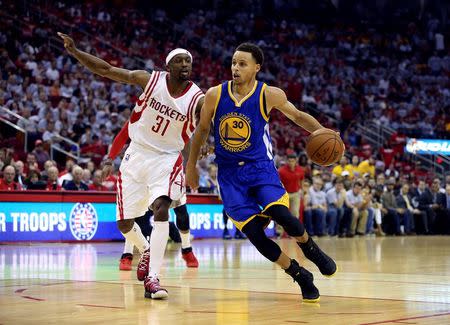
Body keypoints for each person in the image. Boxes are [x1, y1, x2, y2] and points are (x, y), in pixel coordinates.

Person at [186, 43, 337, 303]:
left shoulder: (269, 94)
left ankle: (310, 248)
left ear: (257, 68)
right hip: (229, 176)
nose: (235, 67)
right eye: (234, 62)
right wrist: (191, 167)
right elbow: (201, 131)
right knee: (256, 235)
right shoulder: (214, 94)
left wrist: (326, 132)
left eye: (242, 63)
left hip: (260, 168)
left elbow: (299, 117)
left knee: (281, 215)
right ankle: (299, 274)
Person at [58, 32, 204, 299]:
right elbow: (106, 69)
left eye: (189, 61)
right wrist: (76, 52)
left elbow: (208, 122)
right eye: (180, 60)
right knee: (124, 223)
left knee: (162, 208)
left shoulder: (197, 98)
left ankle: (153, 279)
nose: (186, 65)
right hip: (136, 154)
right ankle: (145, 249)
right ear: (168, 65)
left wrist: (202, 145)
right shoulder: (149, 80)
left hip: (168, 158)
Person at [105, 109, 200, 271]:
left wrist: (193, 164)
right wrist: (110, 159)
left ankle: (186, 248)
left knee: (181, 212)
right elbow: (123, 133)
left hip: (168, 166)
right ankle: (128, 253)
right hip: (141, 167)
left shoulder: (178, 115)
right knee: (131, 215)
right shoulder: (145, 112)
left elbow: (187, 141)